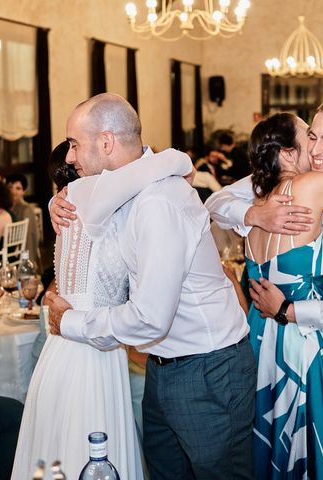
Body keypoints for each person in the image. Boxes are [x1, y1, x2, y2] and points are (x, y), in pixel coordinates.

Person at [47, 93, 255, 480]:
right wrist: (59, 199)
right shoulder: (130, 190)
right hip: (164, 367)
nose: (70, 157)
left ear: (107, 142)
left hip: (207, 368)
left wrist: (70, 322)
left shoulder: (158, 202)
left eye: (74, 145)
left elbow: (150, 318)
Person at [205, 91, 323, 453]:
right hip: (282, 343)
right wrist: (253, 214)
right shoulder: (291, 182)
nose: (315, 149)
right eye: (312, 136)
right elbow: (215, 201)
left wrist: (289, 311)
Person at [12, 133, 194, 479]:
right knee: (88, 449)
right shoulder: (92, 199)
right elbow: (178, 162)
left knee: (61, 454)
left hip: (68, 348)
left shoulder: (72, 206)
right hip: (91, 351)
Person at [6, 173, 42, 272]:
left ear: (24, 191)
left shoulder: (26, 209)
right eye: (10, 187)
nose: (13, 191)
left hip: (21, 256)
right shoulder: (6, 207)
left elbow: (30, 238)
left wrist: (27, 264)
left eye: (18, 188)